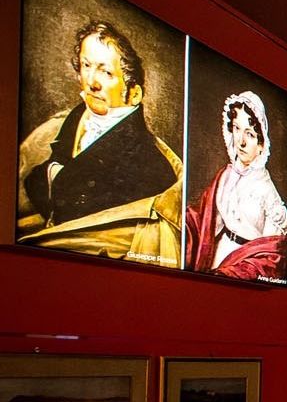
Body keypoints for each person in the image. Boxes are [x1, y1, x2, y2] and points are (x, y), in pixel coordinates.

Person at [17, 21, 183, 267]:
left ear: (133, 93)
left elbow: (76, 211)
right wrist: (52, 174)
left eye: (106, 73)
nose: (92, 82)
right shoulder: (75, 120)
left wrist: (55, 178)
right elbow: (38, 180)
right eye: (86, 66)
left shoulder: (149, 164)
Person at [183, 91, 287, 281]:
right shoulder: (225, 176)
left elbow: (270, 254)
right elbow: (206, 221)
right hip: (217, 255)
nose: (241, 141)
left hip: (246, 265)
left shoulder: (268, 192)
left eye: (250, 134)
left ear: (261, 144)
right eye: (237, 128)